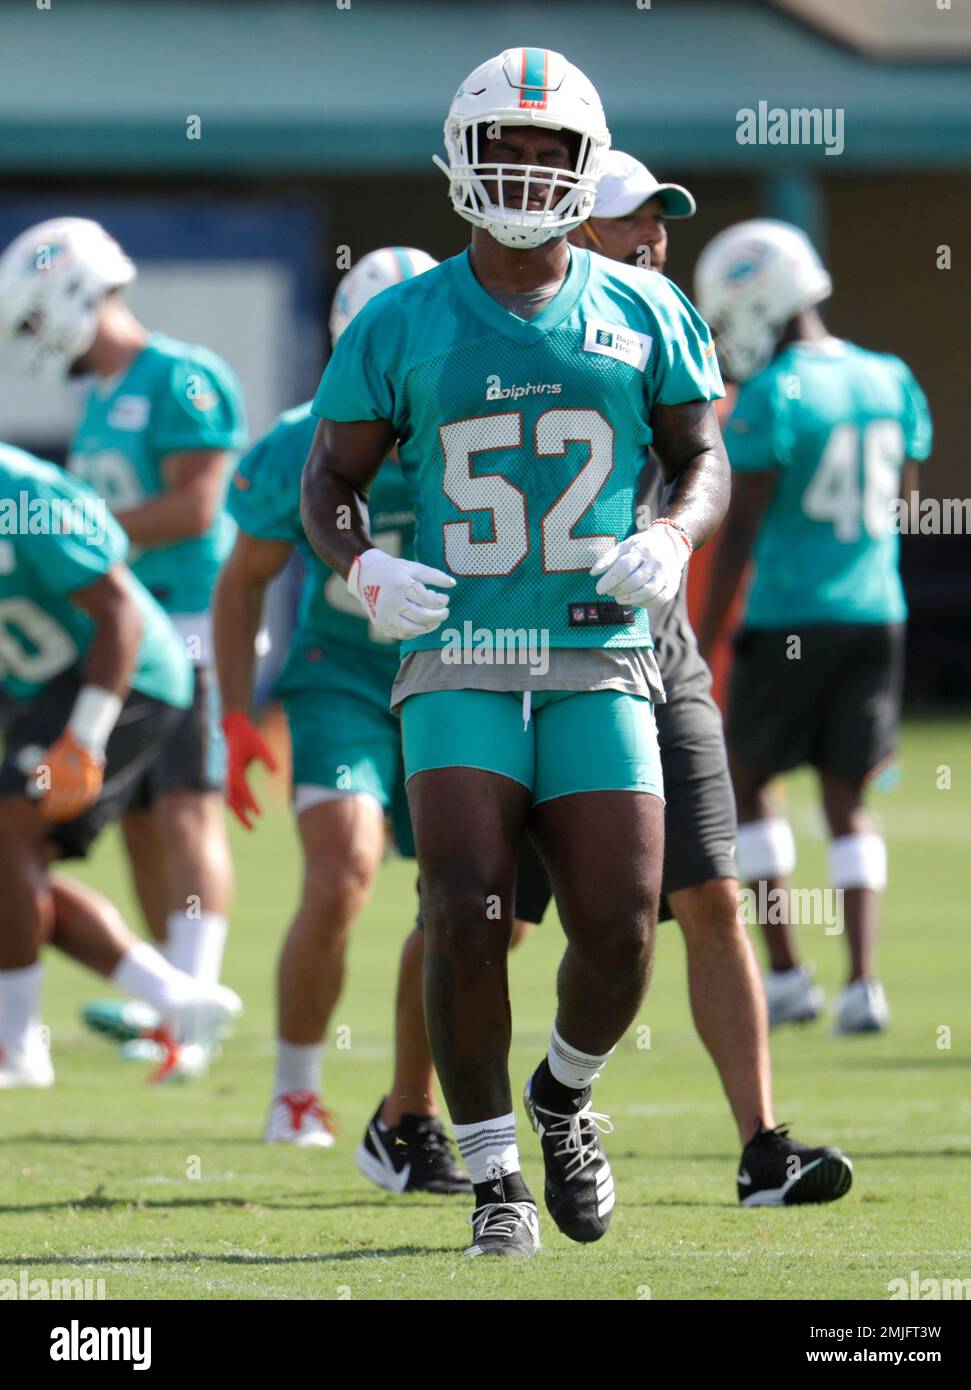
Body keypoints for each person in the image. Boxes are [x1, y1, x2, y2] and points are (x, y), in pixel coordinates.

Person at [301, 47, 729, 1258]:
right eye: (509, 146)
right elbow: (328, 480)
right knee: (460, 901)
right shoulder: (402, 317)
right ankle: (493, 1172)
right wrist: (364, 565)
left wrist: (672, 531)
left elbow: (702, 453)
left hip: (598, 648)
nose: (531, 169)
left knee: (619, 921)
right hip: (460, 650)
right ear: (461, 158)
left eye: (554, 151)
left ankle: (562, 1096)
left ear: (586, 167)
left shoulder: (645, 306)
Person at [511, 152, 853, 1204]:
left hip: (655, 648)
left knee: (709, 891)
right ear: (568, 226)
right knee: (484, 915)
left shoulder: (671, 329)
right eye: (629, 220)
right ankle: (419, 1116)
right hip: (522, 653)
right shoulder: (512, 330)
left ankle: (761, 1148)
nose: (653, 238)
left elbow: (706, 466)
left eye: (661, 219)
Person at [215, 247, 473, 1191]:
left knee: (476, 903)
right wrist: (238, 718)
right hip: (342, 677)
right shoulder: (300, 438)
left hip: (461, 672)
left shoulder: (481, 410)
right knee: (342, 873)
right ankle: (295, 1088)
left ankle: (414, 1108)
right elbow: (241, 584)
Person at [0, 218, 246, 1064]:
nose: (35, 340)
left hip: (178, 615)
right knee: (140, 823)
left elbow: (198, 507)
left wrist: (80, 532)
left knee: (185, 810)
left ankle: (193, 999)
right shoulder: (100, 397)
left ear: (70, 289)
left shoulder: (181, 374)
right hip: (133, 612)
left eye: (35, 318)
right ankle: (176, 1006)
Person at [695, 219, 931, 1034]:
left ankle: (790, 975)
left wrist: (702, 632)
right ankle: (864, 982)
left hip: (789, 614)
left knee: (750, 779)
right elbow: (901, 495)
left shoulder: (770, 397)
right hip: (875, 612)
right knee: (846, 798)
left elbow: (739, 533)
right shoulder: (888, 376)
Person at [0, 445, 241, 1087]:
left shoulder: (21, 491)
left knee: (12, 836)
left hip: (127, 676)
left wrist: (84, 738)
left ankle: (17, 1048)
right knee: (13, 867)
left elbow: (119, 613)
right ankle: (177, 999)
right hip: (38, 684)